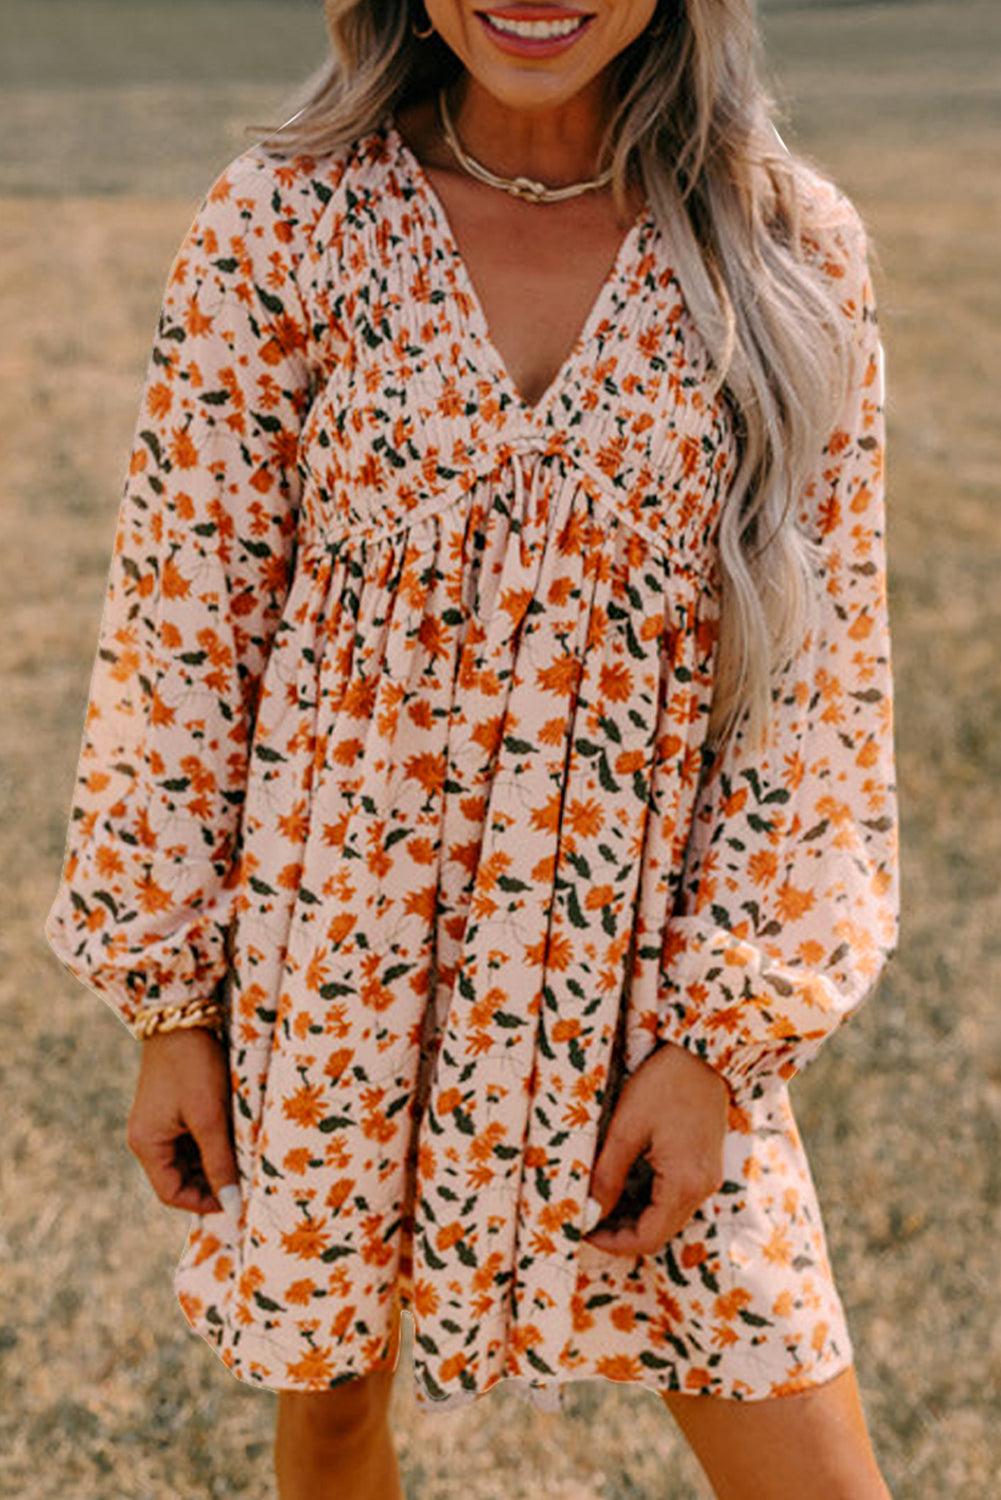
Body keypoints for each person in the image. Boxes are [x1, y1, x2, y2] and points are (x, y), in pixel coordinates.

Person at [44, 0, 901, 1495]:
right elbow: (181, 628)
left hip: (635, 976)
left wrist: (712, 1044)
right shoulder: (290, 224)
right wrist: (169, 1007)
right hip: (335, 954)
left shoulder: (785, 244)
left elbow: (816, 691)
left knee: (804, 1453)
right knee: (325, 1402)